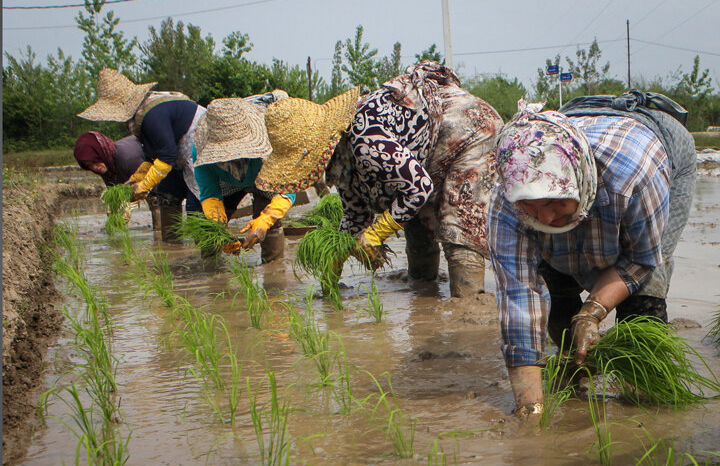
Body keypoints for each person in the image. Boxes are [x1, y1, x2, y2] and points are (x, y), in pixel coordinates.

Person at [487, 93, 697, 418]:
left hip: (659, 146)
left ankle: (640, 395)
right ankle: (578, 369)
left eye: (555, 202)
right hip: (575, 136)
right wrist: (529, 412)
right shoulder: (507, 201)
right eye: (531, 205)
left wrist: (592, 313)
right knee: (554, 288)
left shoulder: (633, 179)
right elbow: (518, 297)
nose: (544, 219)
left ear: (578, 185)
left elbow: (641, 259)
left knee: (644, 299)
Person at [256, 61, 503, 297]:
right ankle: (423, 287)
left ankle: (468, 305)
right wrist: (336, 257)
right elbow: (356, 214)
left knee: (457, 218)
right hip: (432, 143)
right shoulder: (342, 161)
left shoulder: (364, 140)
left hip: (471, 129)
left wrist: (375, 235)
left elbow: (419, 188)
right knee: (414, 217)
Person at [77, 68, 205, 241]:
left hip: (198, 152)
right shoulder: (141, 117)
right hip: (178, 156)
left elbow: (166, 156)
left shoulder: (153, 115)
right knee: (167, 194)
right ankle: (172, 249)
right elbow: (153, 156)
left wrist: (144, 186)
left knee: (195, 207)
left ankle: (207, 261)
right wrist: (135, 178)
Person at [193, 92, 297, 263]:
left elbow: (288, 190)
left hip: (262, 177)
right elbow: (210, 195)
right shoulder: (201, 152)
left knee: (270, 221)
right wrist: (220, 232)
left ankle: (274, 271)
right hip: (226, 181)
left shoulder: (271, 142)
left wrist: (265, 220)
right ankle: (211, 270)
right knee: (211, 229)